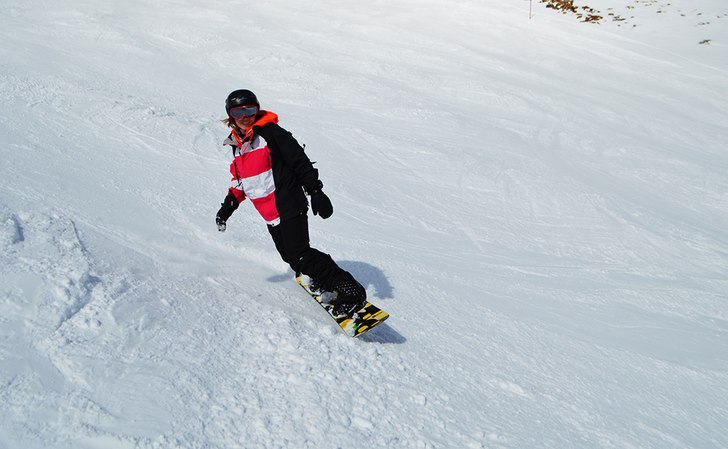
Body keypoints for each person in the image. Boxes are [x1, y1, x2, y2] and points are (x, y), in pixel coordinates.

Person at [215, 89, 366, 317]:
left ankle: (350, 290)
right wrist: (227, 207)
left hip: (288, 202)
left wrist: (315, 191)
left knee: (300, 254)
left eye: (250, 110)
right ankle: (322, 279)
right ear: (230, 115)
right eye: (238, 112)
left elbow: (299, 161)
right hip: (270, 213)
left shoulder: (271, 133)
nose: (245, 116)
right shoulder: (238, 147)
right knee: (290, 256)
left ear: (257, 110)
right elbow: (241, 183)